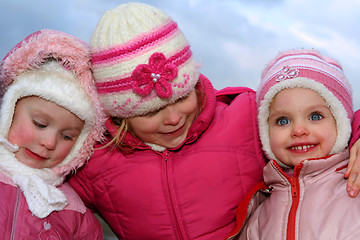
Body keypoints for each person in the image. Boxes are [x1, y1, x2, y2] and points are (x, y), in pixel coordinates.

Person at [68, 2, 360, 239]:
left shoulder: (243, 116)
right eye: (149, 112)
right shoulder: (96, 160)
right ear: (120, 115)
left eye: (182, 97)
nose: (172, 118)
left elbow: (307, 103)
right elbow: (38, 183)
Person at [226, 49, 360, 240]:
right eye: (282, 121)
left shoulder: (355, 185)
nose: (298, 130)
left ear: (341, 123)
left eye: (315, 116)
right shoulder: (258, 213)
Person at [0, 29, 105, 239]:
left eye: (67, 136)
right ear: (8, 113)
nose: (49, 142)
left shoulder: (73, 210)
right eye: (40, 124)